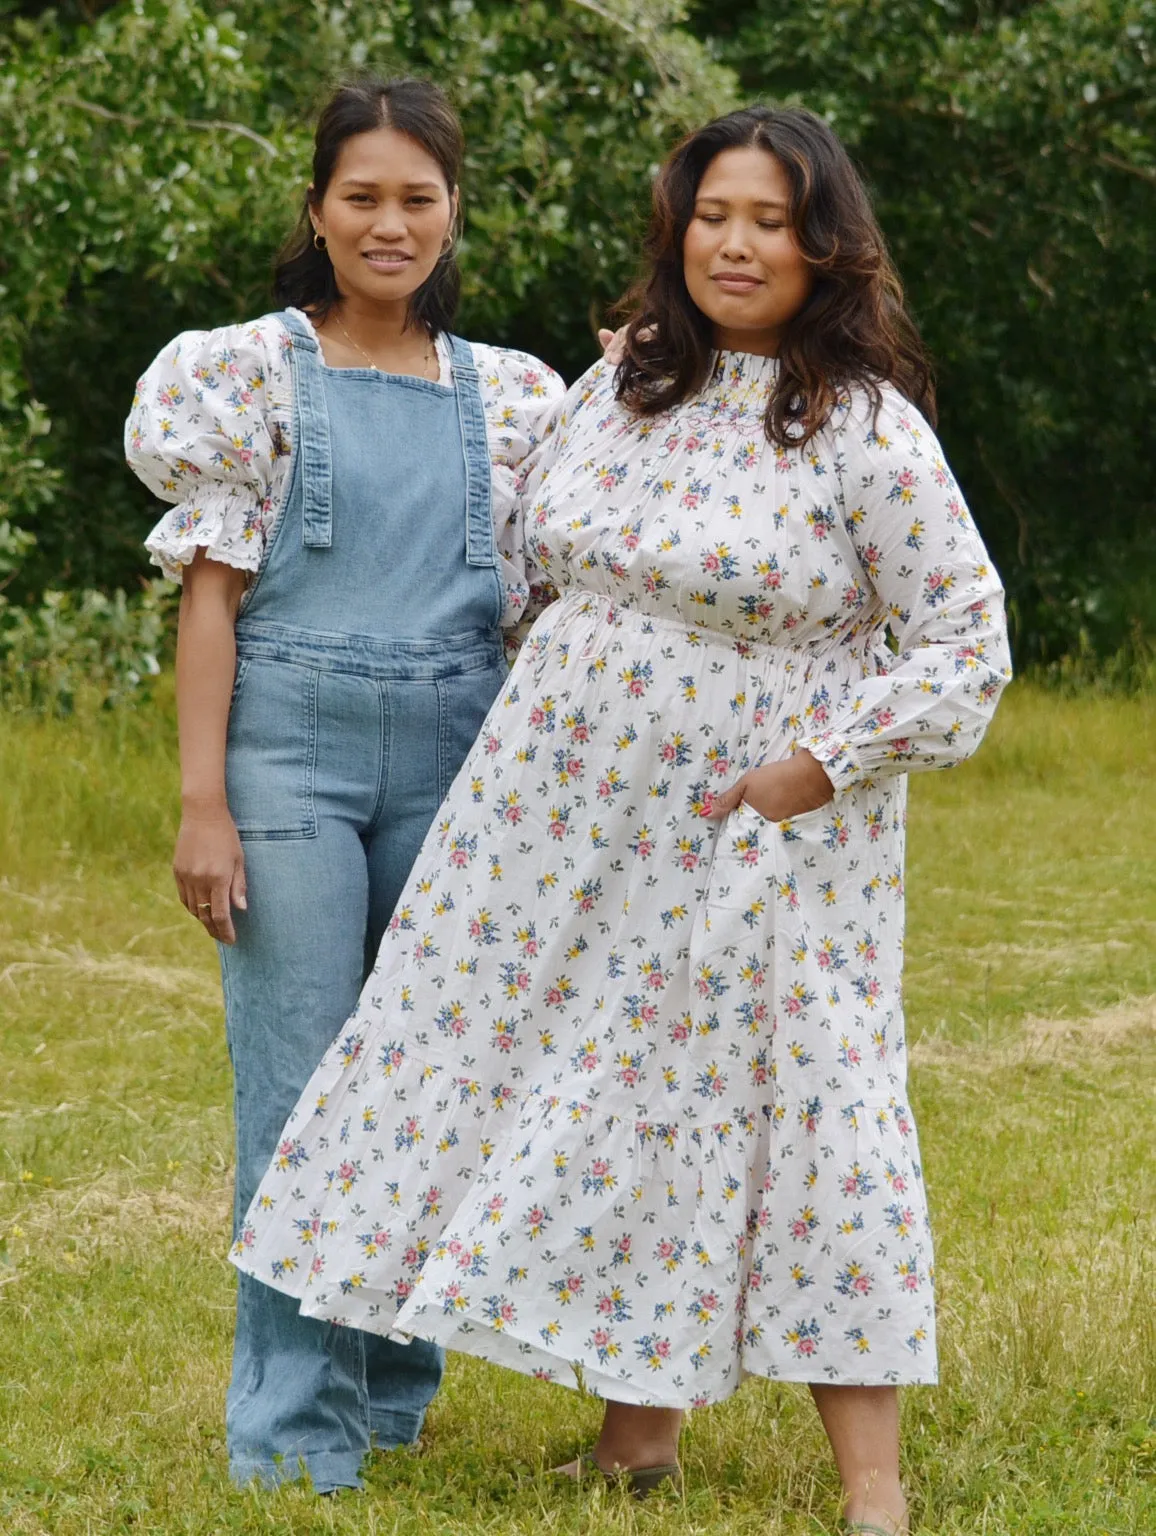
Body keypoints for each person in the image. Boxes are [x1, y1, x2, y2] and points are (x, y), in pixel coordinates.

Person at [229, 105, 1012, 1532]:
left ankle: (875, 1488)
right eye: (715, 213)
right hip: (558, 828)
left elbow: (964, 640)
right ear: (678, 227)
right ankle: (633, 1431)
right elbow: (519, 559)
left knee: (813, 1108)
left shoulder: (861, 429)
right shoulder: (624, 386)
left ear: (823, 245)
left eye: (771, 221)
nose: (736, 243)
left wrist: (816, 765)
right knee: (613, 1106)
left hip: (759, 836)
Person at [125, 76, 565, 1493]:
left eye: (416, 198)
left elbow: (564, 579)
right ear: (317, 209)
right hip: (288, 756)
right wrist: (206, 802)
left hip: (458, 755)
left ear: (452, 212)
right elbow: (211, 597)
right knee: (301, 1085)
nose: (389, 223)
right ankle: (294, 1437)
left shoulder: (519, 397)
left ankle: (389, 1388)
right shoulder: (245, 374)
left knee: (429, 1080)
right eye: (361, 196)